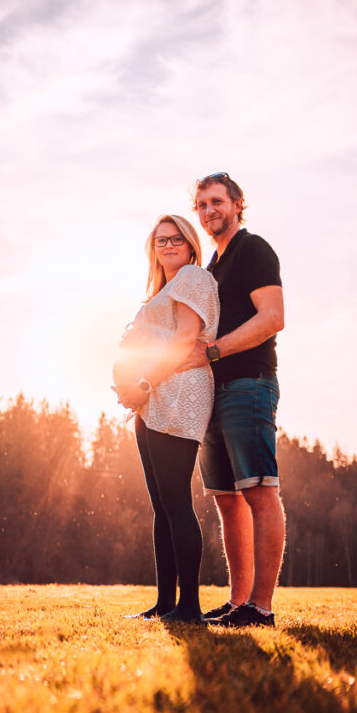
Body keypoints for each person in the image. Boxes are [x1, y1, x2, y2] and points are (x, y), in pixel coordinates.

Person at [182, 172, 285, 628]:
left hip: (249, 385)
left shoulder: (253, 249)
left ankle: (260, 608)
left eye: (217, 202)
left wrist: (217, 350)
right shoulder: (209, 272)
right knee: (226, 500)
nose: (209, 211)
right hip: (212, 393)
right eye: (201, 205)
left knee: (260, 491)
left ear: (237, 204)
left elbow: (273, 318)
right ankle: (239, 601)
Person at [113, 214, 219, 624]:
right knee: (162, 505)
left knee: (176, 501)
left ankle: (189, 607)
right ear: (152, 250)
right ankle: (165, 603)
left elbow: (184, 339)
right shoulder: (164, 289)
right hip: (151, 397)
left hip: (178, 393)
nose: (169, 245)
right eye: (161, 241)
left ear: (192, 244)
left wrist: (143, 382)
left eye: (177, 238)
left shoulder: (193, 277)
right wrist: (131, 387)